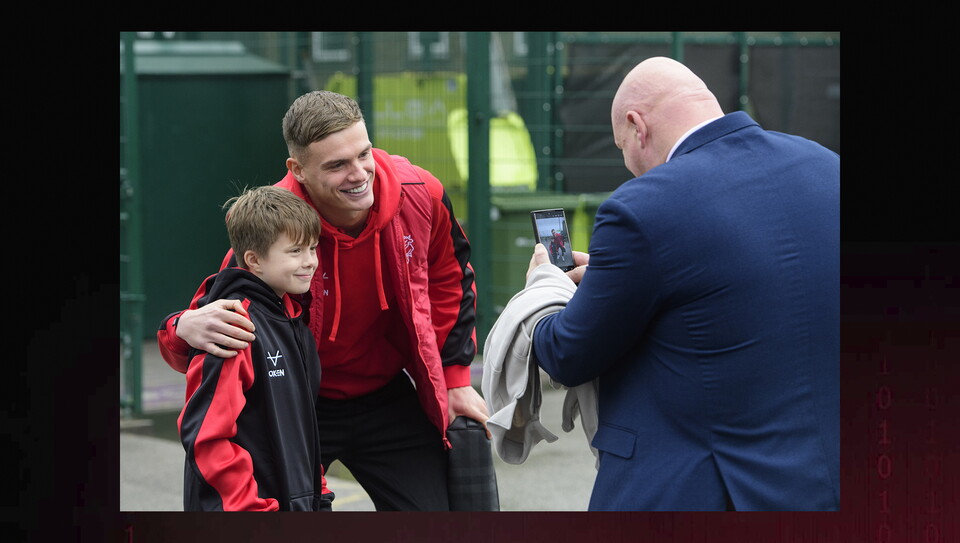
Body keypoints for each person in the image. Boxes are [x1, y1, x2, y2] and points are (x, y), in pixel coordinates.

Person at [527, 57, 840, 511]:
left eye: (621, 147)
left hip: (707, 493)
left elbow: (569, 355)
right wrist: (617, 279)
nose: (630, 165)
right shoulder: (826, 166)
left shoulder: (643, 208)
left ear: (637, 127)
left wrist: (542, 289)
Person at [158, 90, 489, 511]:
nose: (358, 174)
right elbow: (217, 308)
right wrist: (183, 328)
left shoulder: (421, 192)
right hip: (302, 405)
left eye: (363, 153)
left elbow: (450, 276)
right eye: (337, 165)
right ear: (298, 169)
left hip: (386, 392)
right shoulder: (274, 222)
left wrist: (455, 377)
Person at [178, 186, 331, 511]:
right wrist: (249, 508)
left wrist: (319, 496)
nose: (310, 262)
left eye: (313, 248)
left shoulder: (293, 323)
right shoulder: (233, 325)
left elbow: (302, 429)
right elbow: (207, 437)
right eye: (295, 251)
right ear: (254, 260)